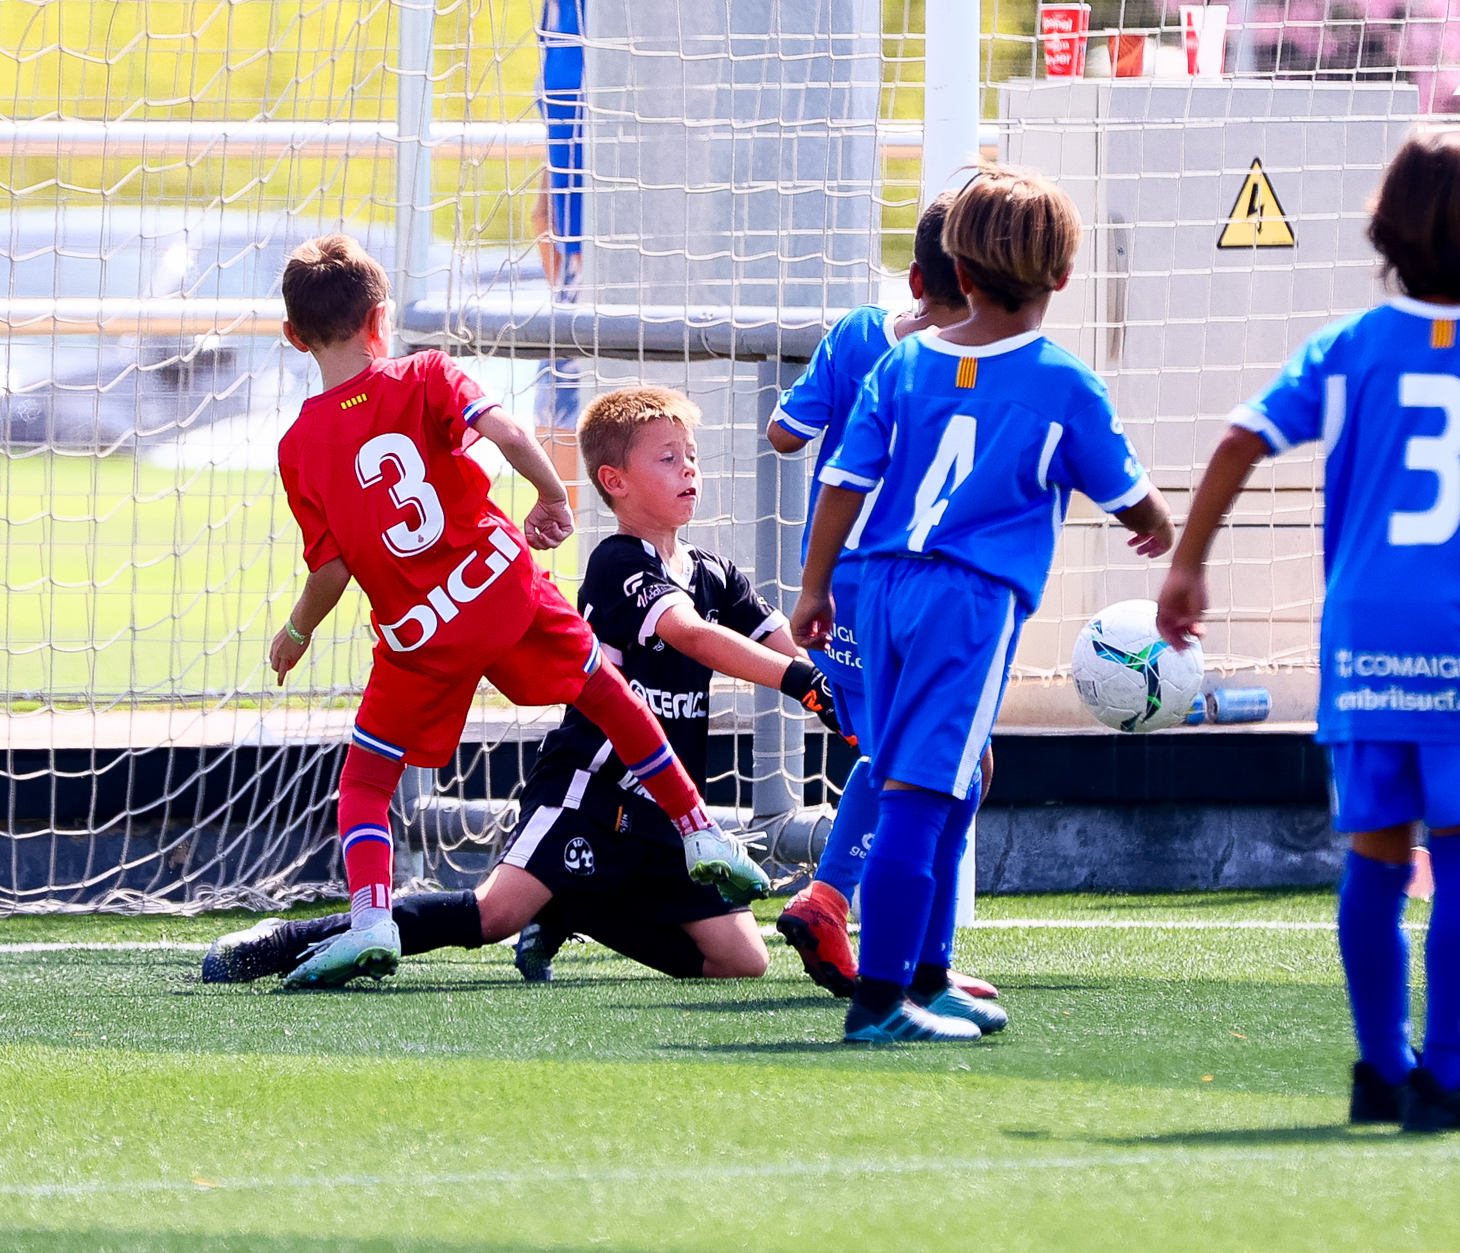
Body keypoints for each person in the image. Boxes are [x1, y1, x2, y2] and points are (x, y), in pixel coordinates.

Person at [1158, 129, 1460, 1130]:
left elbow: (1238, 439)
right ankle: (1446, 1074)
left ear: (1388, 228)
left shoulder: (1351, 346)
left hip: (1364, 639)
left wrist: (1188, 564)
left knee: (1375, 850)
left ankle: (1379, 1067)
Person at [261, 236, 767, 988]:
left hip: (419, 634)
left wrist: (296, 631)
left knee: (366, 780)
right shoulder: (426, 373)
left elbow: (331, 569)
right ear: (380, 319)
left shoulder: (298, 444)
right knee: (607, 694)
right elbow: (507, 432)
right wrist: (553, 496)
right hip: (499, 587)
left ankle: (371, 919)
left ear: (293, 336)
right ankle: (702, 831)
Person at [208, 386, 841, 986]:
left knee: (741, 960)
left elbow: (780, 638)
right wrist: (806, 685)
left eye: (692, 456)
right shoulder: (618, 561)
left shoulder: (715, 572)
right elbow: (692, 635)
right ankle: (284, 940)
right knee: (495, 914)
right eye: (668, 458)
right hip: (590, 788)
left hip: (663, 807)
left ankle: (574, 905)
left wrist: (843, 686)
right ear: (614, 481)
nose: (689, 469)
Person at [791, 163, 1175, 1043]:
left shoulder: (903, 362)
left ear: (955, 272)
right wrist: (1163, 532)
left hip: (879, 589)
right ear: (1064, 278)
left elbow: (843, 481)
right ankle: (880, 1002)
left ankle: (928, 975)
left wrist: (815, 586)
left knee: (950, 776)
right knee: (918, 793)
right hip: (966, 604)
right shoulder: (1061, 382)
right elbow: (1130, 497)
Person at [766, 192, 996, 1002]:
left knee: (918, 754)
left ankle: (873, 926)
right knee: (940, 760)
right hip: (916, 585)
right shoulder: (981, 363)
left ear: (915, 276)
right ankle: (867, 924)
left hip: (836, 581)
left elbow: (785, 433)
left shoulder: (860, 333)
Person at [530, 0, 587, 504]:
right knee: (559, 469)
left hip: (637, 248)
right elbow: (557, 123)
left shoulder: (643, 4)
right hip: (574, 259)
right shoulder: (560, 1)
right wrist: (546, 217)